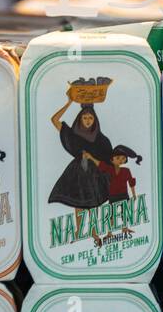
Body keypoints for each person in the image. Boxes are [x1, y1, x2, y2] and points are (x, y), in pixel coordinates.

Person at [48, 96, 114, 245]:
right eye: (85, 117)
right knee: (78, 203)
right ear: (80, 119)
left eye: (91, 117)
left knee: (93, 204)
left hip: (95, 173)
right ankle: (78, 232)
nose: (88, 120)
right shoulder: (73, 135)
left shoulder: (102, 140)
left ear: (95, 120)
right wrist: (69, 102)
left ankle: (94, 232)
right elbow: (54, 120)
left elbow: (109, 160)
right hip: (78, 172)